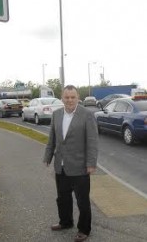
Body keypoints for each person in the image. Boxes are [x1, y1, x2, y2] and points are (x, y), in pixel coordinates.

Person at [43, 85, 98, 242]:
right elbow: (52, 139)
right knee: (62, 198)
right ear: (62, 98)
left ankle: (84, 229)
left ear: (77, 98)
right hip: (61, 166)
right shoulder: (57, 114)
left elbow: (92, 142)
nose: (69, 100)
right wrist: (48, 156)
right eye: (66, 97)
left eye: (72, 97)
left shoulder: (87, 115)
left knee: (82, 201)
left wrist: (91, 163)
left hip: (80, 167)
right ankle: (66, 222)